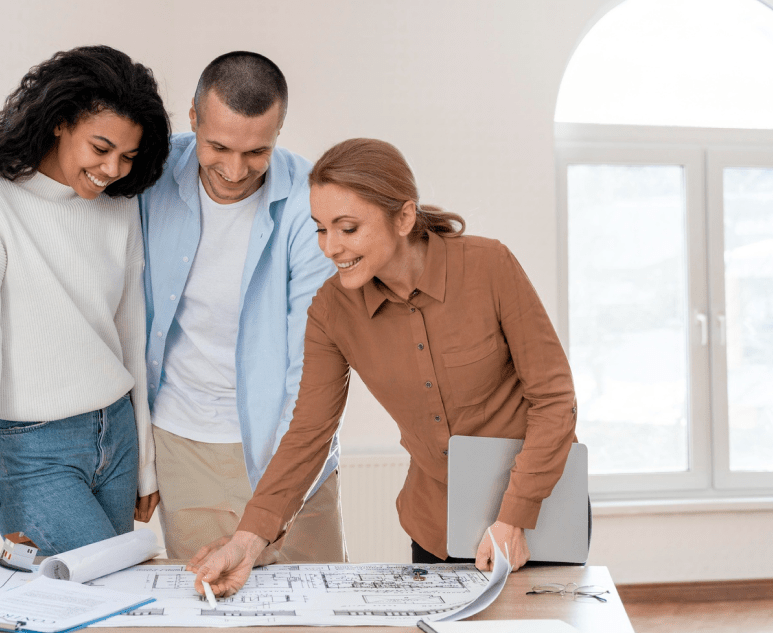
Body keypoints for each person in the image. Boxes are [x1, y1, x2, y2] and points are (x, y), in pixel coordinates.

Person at [190, 138, 579, 596]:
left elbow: (555, 401)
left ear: (404, 218)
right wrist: (248, 540)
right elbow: (309, 434)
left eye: (347, 228)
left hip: (539, 517)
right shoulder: (331, 311)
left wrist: (513, 516)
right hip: (437, 528)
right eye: (320, 229)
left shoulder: (489, 265)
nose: (330, 247)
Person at [0, 45, 171, 578]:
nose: (112, 170)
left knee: (100, 602)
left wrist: (145, 463)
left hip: (117, 435)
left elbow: (132, 337)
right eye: (101, 148)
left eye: (127, 156)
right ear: (59, 122)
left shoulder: (119, 208)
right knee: (110, 595)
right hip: (32, 452)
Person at [140, 52, 343, 563]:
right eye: (218, 147)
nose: (234, 171)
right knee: (205, 597)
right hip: (183, 443)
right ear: (193, 118)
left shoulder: (310, 202)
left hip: (286, 447)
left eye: (257, 152)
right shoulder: (151, 175)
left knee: (312, 601)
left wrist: (281, 487)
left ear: (279, 131)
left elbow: (311, 361)